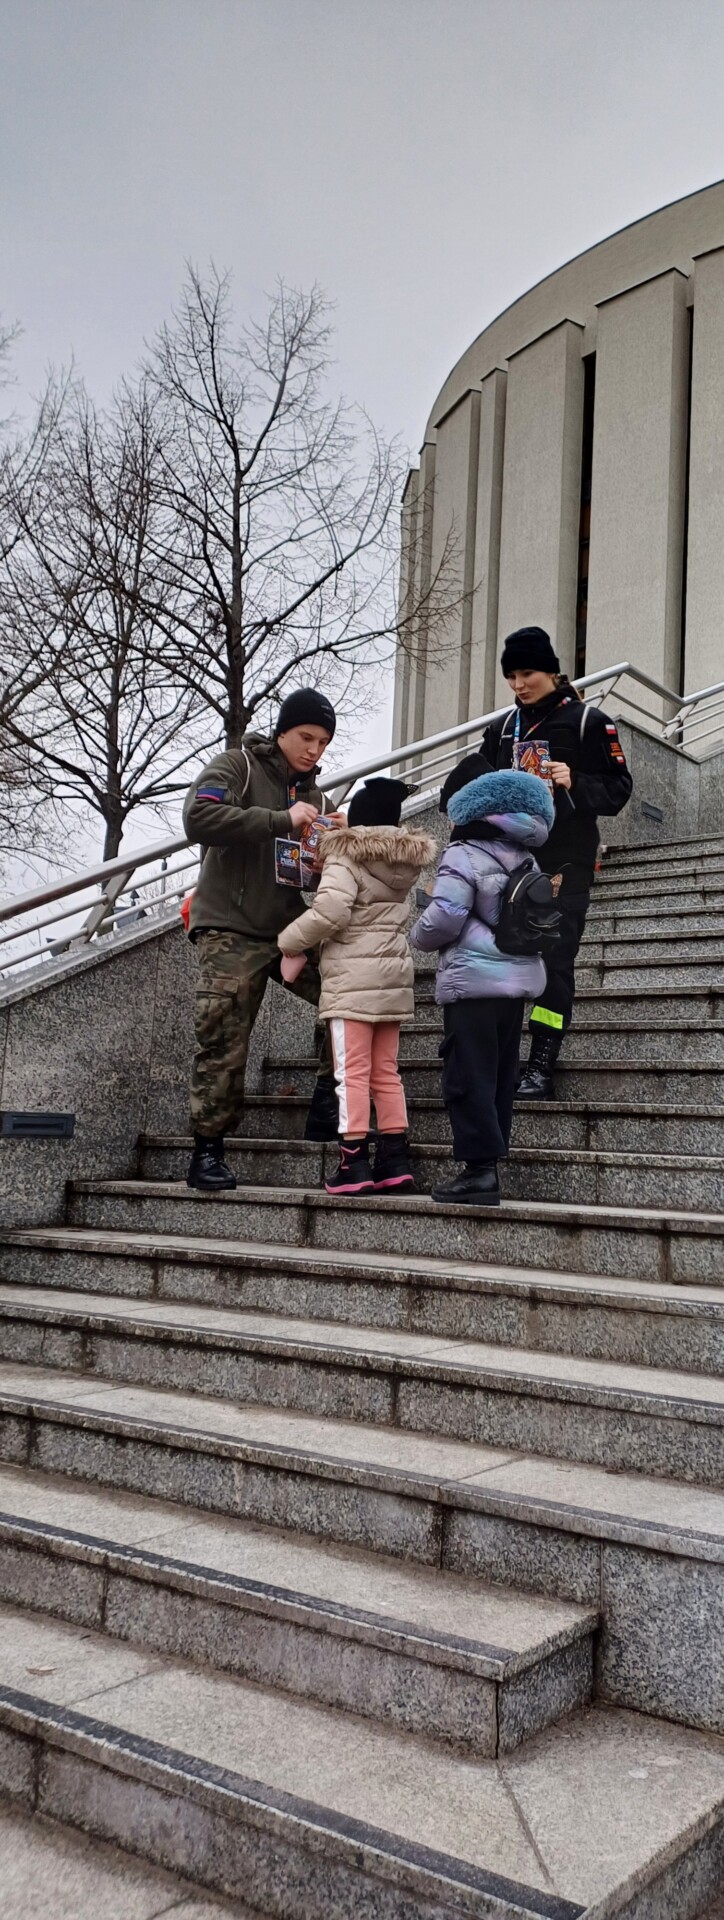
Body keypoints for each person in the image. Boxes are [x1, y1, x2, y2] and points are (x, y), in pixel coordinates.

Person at [441, 625, 633, 1099]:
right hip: (507, 861)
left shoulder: (589, 722)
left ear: (551, 670)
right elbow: (477, 787)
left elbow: (619, 789)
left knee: (555, 958)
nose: (518, 684)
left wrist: (575, 781)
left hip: (565, 863)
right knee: (503, 955)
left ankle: (542, 1060)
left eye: (526, 673)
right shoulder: (503, 728)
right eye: (511, 676)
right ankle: (503, 1060)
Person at [182, 687, 341, 1192]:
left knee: (350, 991)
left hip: (289, 929)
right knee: (224, 1037)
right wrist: (279, 820)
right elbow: (198, 818)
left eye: (323, 742)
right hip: (230, 928)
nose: (314, 749)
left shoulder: (319, 799)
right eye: (306, 737)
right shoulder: (239, 766)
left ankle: (328, 1100)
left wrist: (337, 847)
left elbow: (325, 878)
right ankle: (208, 1151)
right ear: (283, 731)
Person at [277, 778, 436, 1196]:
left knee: (351, 1073)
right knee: (386, 1072)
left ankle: (353, 1163)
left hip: (353, 979)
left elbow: (331, 911)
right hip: (392, 976)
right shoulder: (402, 861)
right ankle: (395, 1161)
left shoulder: (345, 854)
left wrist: (289, 941)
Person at [410, 761, 554, 1205]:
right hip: (515, 982)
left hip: (473, 981)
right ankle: (488, 1164)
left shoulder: (464, 852)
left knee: (468, 1074)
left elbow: (446, 917)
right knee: (499, 1075)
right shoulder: (525, 854)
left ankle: (479, 1171)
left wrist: (416, 936)